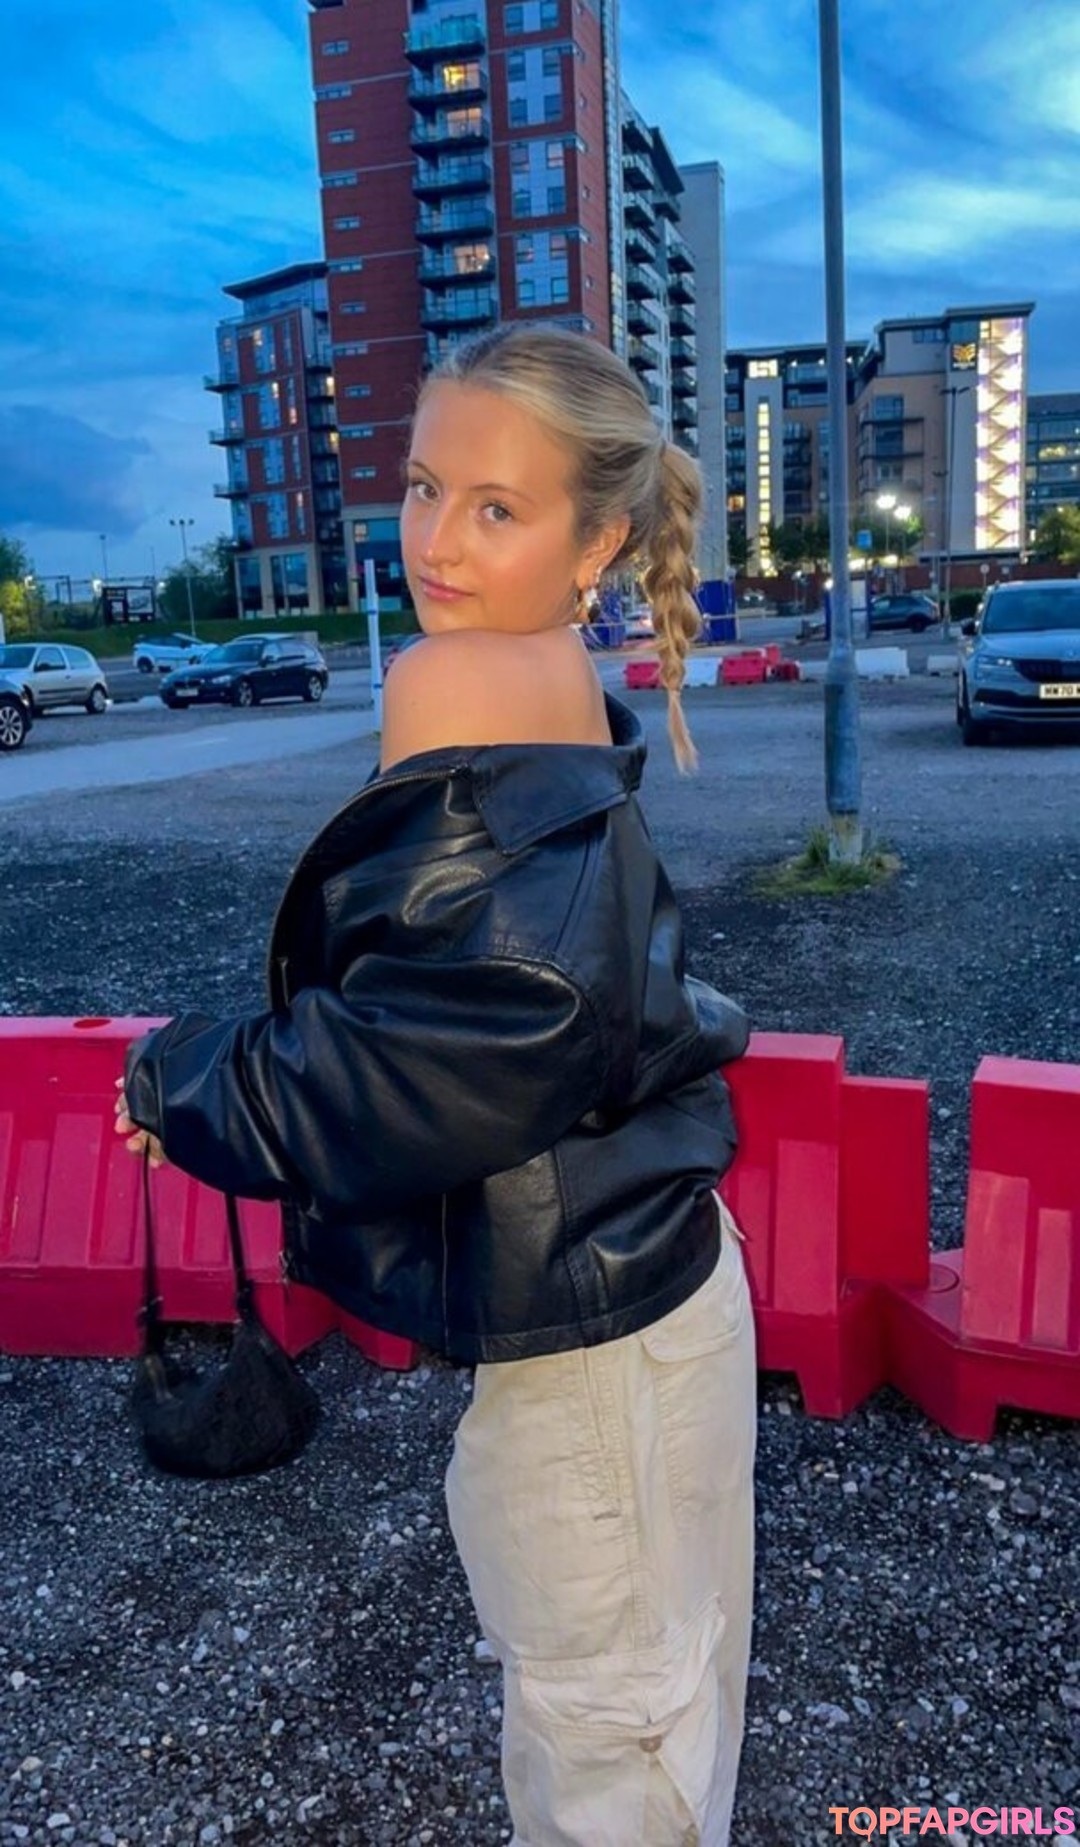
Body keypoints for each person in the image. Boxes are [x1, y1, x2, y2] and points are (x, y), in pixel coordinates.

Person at [115, 323, 757, 1846]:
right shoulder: (557, 669)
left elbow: (416, 1057)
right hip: (654, 1298)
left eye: (495, 506)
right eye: (421, 486)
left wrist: (178, 1081)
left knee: (609, 1760)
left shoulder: (452, 675)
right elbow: (497, 1001)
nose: (435, 542)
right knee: (659, 1726)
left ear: (597, 541)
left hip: (595, 1358)